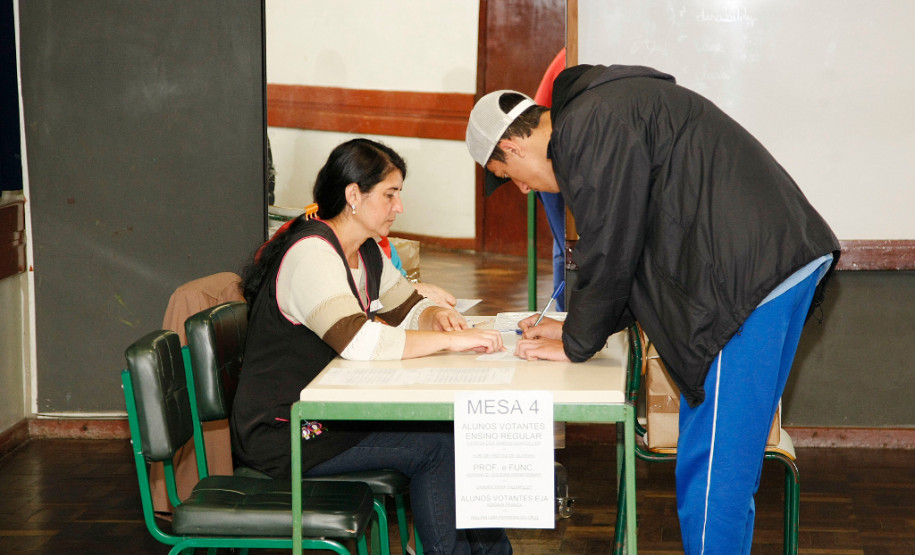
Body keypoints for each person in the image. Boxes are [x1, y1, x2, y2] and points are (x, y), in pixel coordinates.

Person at [465, 65, 840, 554]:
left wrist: (578, 342)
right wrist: (578, 329)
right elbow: (635, 247)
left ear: (512, 147)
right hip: (778, 266)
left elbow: (610, 247)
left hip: (744, 282)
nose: (523, 188)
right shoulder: (604, 109)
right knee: (732, 463)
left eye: (507, 176)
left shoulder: (586, 126)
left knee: (713, 471)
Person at [232, 138, 512, 555]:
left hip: (328, 415)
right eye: (390, 194)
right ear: (353, 196)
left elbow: (408, 307)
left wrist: (437, 316)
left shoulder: (364, 252)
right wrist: (453, 340)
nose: (400, 206)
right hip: (286, 431)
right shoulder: (312, 254)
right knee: (438, 447)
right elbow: (360, 342)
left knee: (454, 432)